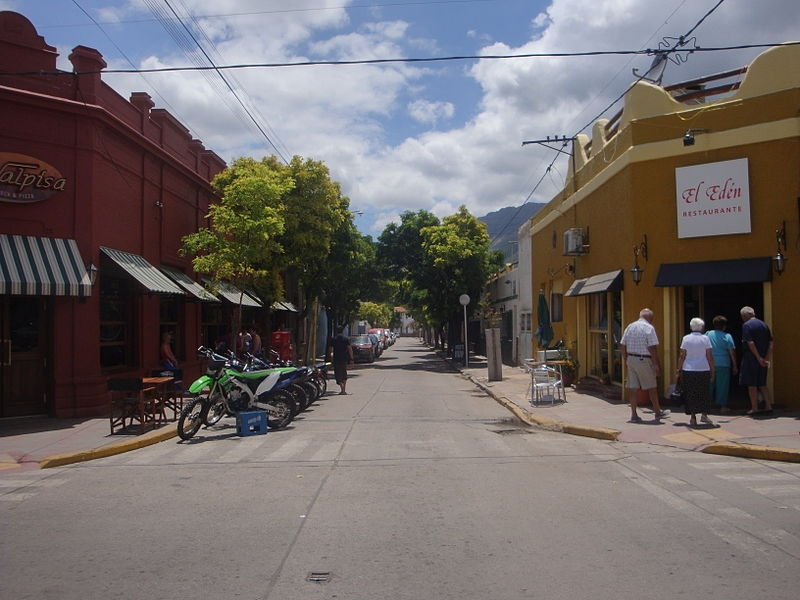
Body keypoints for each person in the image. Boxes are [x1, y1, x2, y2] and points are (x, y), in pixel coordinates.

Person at [620, 308, 670, 423]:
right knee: (652, 387)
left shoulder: (630, 326)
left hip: (631, 358)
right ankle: (657, 412)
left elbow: (623, 344)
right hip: (643, 359)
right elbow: (652, 347)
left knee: (633, 388)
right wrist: (656, 364)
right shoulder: (649, 328)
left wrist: (626, 358)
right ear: (649, 318)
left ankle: (634, 414)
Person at [677, 318, 716, 427]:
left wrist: (678, 369)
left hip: (688, 369)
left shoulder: (686, 338)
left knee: (691, 393)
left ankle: (693, 417)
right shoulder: (705, 339)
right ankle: (704, 414)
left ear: (691, 327)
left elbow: (682, 356)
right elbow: (709, 356)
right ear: (702, 327)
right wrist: (713, 370)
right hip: (703, 369)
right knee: (704, 392)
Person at [739, 306, 774, 415]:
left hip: (752, 358)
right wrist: (766, 357)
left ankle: (755, 408)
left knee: (752, 384)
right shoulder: (764, 325)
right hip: (764, 357)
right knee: (762, 383)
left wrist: (758, 357)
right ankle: (768, 406)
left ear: (745, 315)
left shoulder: (747, 325)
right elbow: (771, 343)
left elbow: (750, 343)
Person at [706, 315, 737, 413]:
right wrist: (735, 365)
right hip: (724, 363)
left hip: (709, 363)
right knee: (723, 386)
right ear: (724, 326)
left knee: (709, 384)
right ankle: (723, 406)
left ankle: (707, 405)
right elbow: (732, 352)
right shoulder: (727, 336)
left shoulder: (708, 334)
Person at [329, 326, 353, 395]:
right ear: (342, 331)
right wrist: (351, 358)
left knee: (337, 374)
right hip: (344, 359)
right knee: (344, 373)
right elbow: (350, 349)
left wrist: (330, 357)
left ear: (336, 332)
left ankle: (342, 387)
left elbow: (330, 350)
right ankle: (343, 390)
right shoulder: (345, 339)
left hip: (336, 359)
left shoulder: (333, 339)